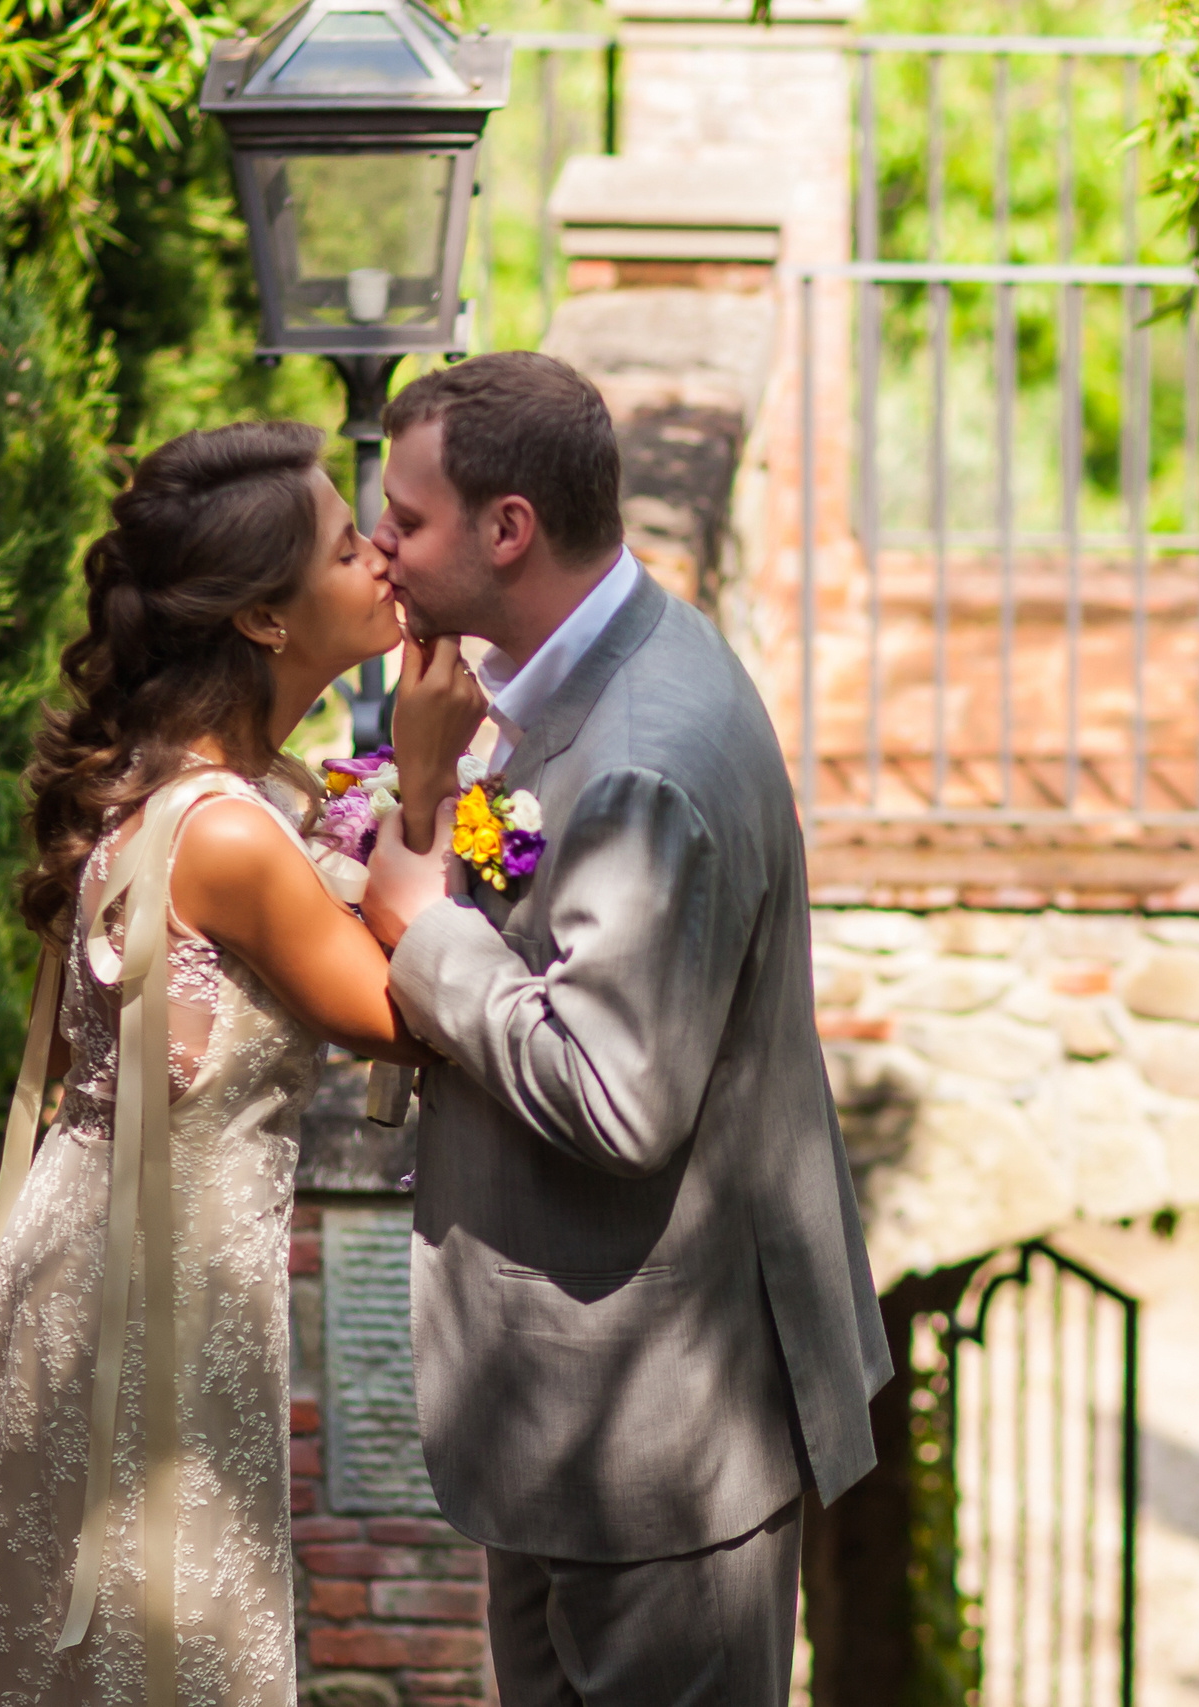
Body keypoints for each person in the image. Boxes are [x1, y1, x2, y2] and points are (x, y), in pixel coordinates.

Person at [359, 352, 892, 1706]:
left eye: (405, 519)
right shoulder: (567, 670)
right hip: (560, 1415)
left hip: (660, 1440)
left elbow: (619, 1092)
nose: (379, 546)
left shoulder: (646, 752)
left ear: (509, 528)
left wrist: (426, 934)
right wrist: (428, 788)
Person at [0, 421, 487, 1707]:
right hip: (151, 1280)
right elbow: (407, 1015)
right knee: (157, 1633)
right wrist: (427, 783)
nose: (385, 561)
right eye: (352, 548)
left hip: (115, 1249)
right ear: (265, 624)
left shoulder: (230, 788)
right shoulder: (228, 835)